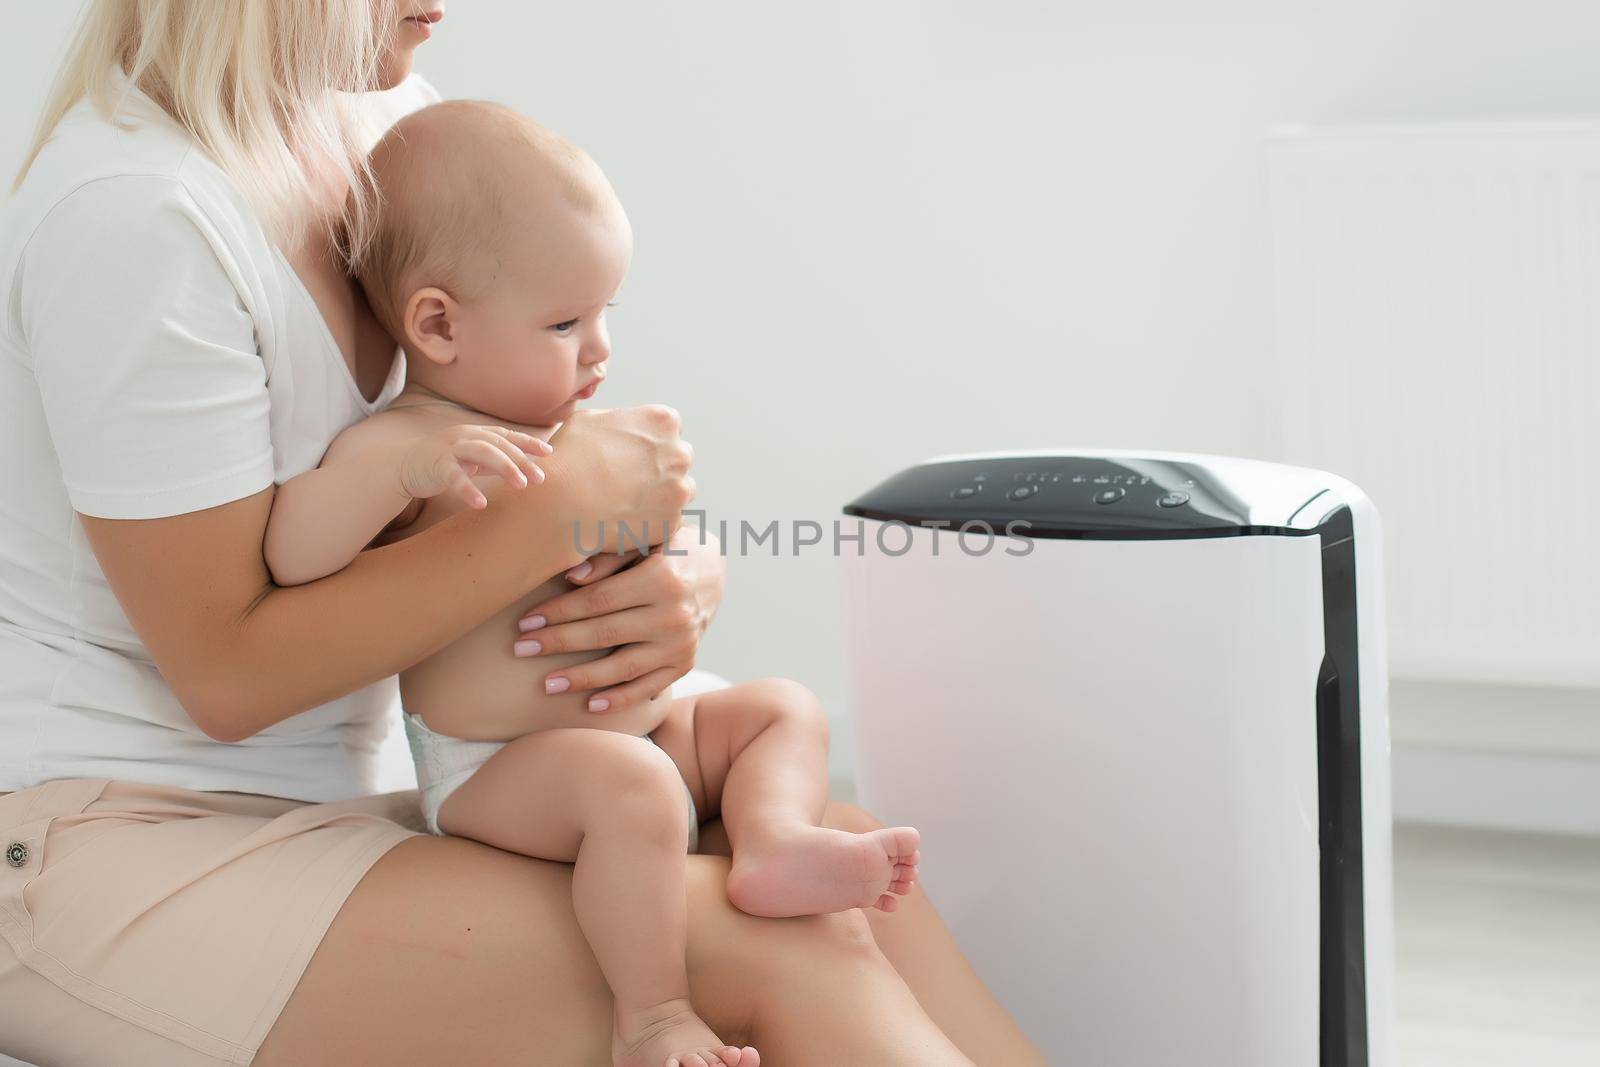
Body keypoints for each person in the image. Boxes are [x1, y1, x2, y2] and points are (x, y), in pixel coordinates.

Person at [0, 2, 1044, 1064]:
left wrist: (672, 575)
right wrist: (555, 516)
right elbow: (224, 674)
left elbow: (518, 467)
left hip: (340, 799)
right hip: (107, 841)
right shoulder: (140, 213)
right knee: (780, 952)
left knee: (837, 858)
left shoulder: (385, 128)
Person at [262, 99, 923, 1067]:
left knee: (779, 707)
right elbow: (294, 556)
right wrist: (393, 483)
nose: (600, 347)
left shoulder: (571, 439)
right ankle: (651, 1016)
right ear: (439, 326)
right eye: (566, 321)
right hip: (497, 768)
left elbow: (654, 547)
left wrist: (680, 555)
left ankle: (773, 838)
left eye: (605, 311)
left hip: (643, 720)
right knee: (636, 789)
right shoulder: (405, 446)